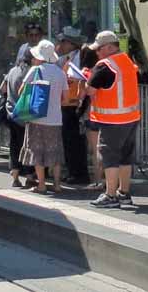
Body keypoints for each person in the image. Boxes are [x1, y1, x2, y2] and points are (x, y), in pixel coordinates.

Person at [86, 31, 141, 208]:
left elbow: (91, 90)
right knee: (126, 157)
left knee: (109, 156)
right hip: (131, 117)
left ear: (109, 47)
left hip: (112, 119)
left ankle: (110, 195)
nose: (97, 53)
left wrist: (86, 78)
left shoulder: (105, 65)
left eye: (99, 49)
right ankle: (124, 193)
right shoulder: (127, 61)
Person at [18, 39, 69, 194]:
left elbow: (22, 91)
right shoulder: (61, 73)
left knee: (37, 151)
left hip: (37, 117)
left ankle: (41, 185)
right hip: (55, 118)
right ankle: (58, 184)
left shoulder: (35, 70)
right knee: (55, 151)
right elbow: (65, 99)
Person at [56, 26, 90, 184]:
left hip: (72, 105)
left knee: (73, 140)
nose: (60, 45)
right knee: (70, 140)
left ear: (70, 43)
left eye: (62, 41)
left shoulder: (76, 58)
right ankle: (74, 171)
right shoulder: (69, 58)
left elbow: (75, 78)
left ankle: (78, 173)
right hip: (68, 103)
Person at [0, 47, 36, 187]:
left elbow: (2, 88)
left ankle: (15, 177)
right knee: (27, 145)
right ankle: (29, 176)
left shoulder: (12, 71)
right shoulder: (30, 72)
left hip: (11, 113)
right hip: (25, 114)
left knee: (14, 145)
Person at [78, 44, 103, 189]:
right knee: (106, 149)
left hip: (90, 113)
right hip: (105, 113)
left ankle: (98, 180)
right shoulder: (102, 70)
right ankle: (110, 180)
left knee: (95, 150)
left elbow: (81, 95)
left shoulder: (85, 73)